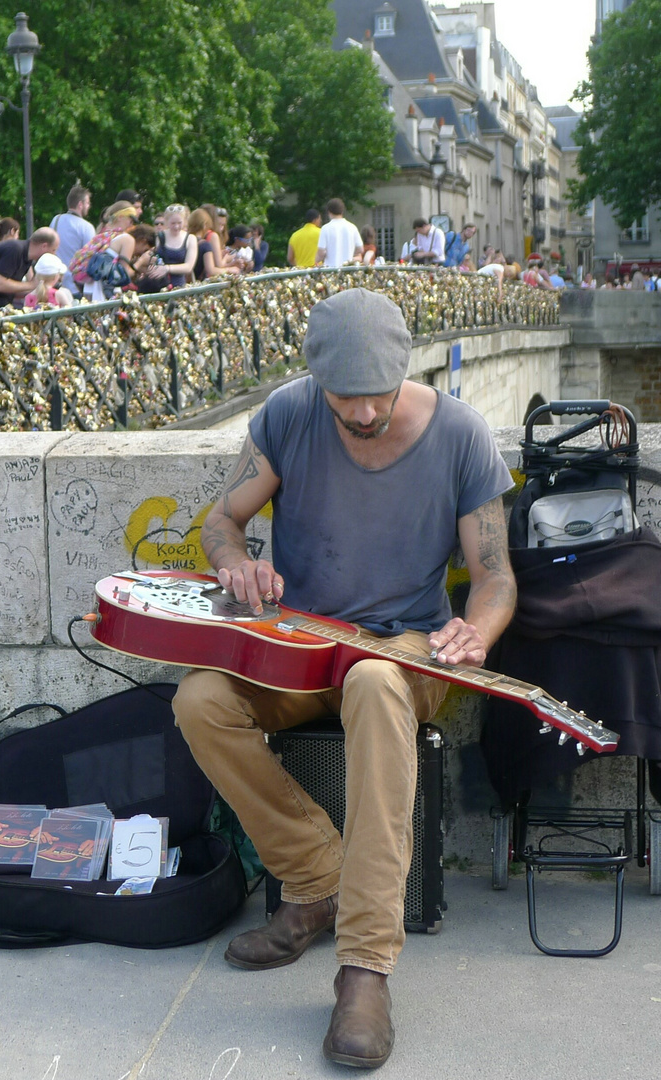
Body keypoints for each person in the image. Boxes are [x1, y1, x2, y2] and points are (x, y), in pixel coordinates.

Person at [173, 288, 515, 1070]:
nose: (362, 415)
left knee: (370, 682)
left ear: (405, 370)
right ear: (314, 380)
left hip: (406, 654)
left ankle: (364, 966)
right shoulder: (288, 416)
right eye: (344, 402)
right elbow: (221, 522)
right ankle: (312, 877)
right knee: (200, 700)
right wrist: (235, 562)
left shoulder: (459, 433)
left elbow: (494, 577)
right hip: (300, 646)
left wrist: (478, 628)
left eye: (377, 399)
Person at [0, 228, 58, 316]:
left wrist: (37, 292)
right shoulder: (15, 250)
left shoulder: (26, 258)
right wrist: (31, 285)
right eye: (53, 250)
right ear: (44, 246)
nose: (54, 254)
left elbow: (10, 288)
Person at [50, 184, 94, 293]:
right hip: (76, 288)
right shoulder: (86, 227)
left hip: (55, 286)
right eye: (87, 203)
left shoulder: (56, 220)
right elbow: (91, 259)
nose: (89, 206)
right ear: (80, 204)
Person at [189, 209, 240, 282]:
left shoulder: (185, 240)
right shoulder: (205, 245)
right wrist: (229, 270)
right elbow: (211, 270)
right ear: (204, 225)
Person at [154, 204, 198, 288]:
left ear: (184, 221)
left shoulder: (191, 239)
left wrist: (167, 268)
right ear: (166, 222)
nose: (176, 226)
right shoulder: (160, 236)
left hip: (179, 284)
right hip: (160, 283)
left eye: (179, 223)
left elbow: (188, 266)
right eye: (173, 223)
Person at [316, 199, 363, 268]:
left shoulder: (325, 228)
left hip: (331, 270)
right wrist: (351, 255)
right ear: (342, 211)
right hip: (348, 270)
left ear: (329, 212)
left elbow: (321, 253)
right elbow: (360, 249)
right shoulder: (352, 227)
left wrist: (315, 261)